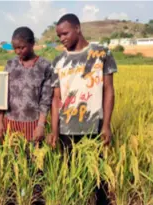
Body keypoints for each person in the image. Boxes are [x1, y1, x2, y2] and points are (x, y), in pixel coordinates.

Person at [48, 13, 117, 204]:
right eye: (59, 36)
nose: (62, 39)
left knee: (99, 176)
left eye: (65, 33)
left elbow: (109, 90)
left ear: (78, 29)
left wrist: (106, 125)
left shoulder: (101, 53)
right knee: (72, 176)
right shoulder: (58, 61)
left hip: (94, 126)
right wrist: (55, 130)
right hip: (67, 129)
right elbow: (56, 99)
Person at [0, 26, 53, 143]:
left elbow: (46, 100)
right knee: (11, 158)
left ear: (32, 44)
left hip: (33, 124)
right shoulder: (10, 65)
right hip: (10, 123)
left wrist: (41, 126)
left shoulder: (44, 66)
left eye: (22, 47)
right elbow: (3, 95)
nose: (18, 51)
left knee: (33, 159)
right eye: (15, 48)